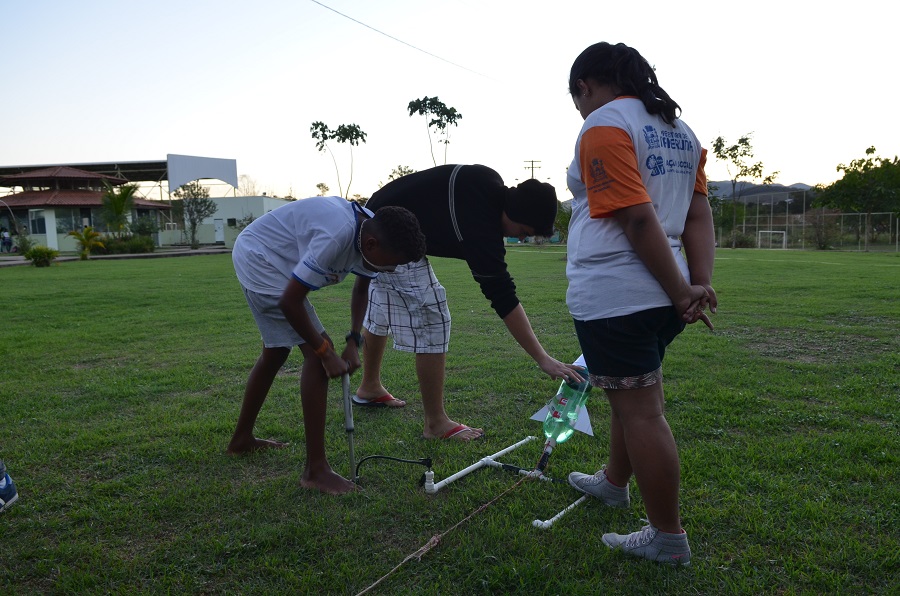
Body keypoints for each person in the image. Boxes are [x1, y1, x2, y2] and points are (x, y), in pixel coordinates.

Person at [562, 42, 717, 565]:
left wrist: (682, 291)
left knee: (642, 412)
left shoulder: (605, 123)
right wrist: (695, 285)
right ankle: (612, 483)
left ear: (585, 85)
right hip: (659, 296)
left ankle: (667, 537)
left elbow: (636, 218)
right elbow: (696, 216)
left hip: (617, 294)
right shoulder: (683, 133)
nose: (580, 111)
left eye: (576, 99)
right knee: (630, 398)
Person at [353, 165, 585, 442]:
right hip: (386, 233)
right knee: (432, 316)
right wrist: (542, 359)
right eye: (524, 231)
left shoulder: (488, 181)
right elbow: (503, 298)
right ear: (515, 213)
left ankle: (369, 386)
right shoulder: (481, 226)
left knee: (381, 307)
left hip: (376, 217)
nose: (522, 238)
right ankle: (436, 423)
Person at [227, 196, 426, 495]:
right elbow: (290, 300)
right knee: (318, 353)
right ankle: (315, 470)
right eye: (394, 262)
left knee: (277, 351)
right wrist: (325, 352)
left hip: (269, 258)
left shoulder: (373, 229)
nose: (394, 269)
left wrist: (353, 341)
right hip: (260, 259)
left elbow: (362, 287)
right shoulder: (338, 235)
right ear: (372, 246)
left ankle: (241, 440)